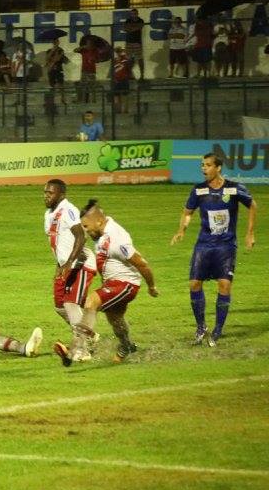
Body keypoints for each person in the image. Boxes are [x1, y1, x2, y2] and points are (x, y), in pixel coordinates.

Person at [55, 199, 158, 365]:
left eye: (87, 227)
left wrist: (152, 286)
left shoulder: (116, 239)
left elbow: (142, 263)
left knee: (91, 302)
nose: (86, 232)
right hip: (113, 283)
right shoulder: (102, 229)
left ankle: (76, 349)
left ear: (99, 221)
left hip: (126, 284)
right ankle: (127, 345)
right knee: (115, 319)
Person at [170, 153, 257, 346]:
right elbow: (188, 212)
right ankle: (201, 327)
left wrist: (250, 233)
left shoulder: (233, 188)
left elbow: (252, 205)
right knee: (194, 284)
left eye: (208, 165)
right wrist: (181, 229)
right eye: (202, 165)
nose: (203, 168)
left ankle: (218, 329)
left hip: (226, 245)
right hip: (204, 244)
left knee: (224, 285)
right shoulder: (199, 190)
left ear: (218, 168)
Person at [43, 179, 98, 343]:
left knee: (70, 304)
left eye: (50, 193)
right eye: (45, 192)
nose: (46, 196)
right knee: (60, 307)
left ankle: (81, 348)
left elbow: (81, 237)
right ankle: (88, 335)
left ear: (61, 195)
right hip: (65, 265)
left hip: (80, 264)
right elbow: (58, 245)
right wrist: (60, 265)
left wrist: (69, 263)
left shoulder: (68, 210)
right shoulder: (48, 215)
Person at [123, 8, 145, 81]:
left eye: (135, 13)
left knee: (139, 58)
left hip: (137, 42)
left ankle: (142, 75)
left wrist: (131, 28)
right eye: (132, 14)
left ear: (137, 14)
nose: (134, 15)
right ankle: (129, 75)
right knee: (129, 59)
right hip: (129, 42)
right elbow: (125, 28)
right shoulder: (128, 20)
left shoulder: (141, 20)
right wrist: (134, 28)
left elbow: (138, 27)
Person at [111, 47, 132, 115]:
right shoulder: (114, 61)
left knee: (124, 97)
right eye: (117, 52)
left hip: (124, 80)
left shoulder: (125, 60)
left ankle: (124, 111)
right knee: (116, 97)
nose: (118, 53)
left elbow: (129, 67)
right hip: (116, 81)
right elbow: (112, 72)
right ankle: (118, 111)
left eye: (119, 51)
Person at [45, 39, 67, 105]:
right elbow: (47, 58)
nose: (55, 43)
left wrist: (56, 55)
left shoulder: (61, 50)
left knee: (61, 84)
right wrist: (53, 51)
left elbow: (57, 59)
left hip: (59, 69)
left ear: (58, 42)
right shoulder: (49, 50)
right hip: (51, 70)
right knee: (52, 85)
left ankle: (62, 99)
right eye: (54, 42)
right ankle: (52, 100)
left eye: (56, 42)